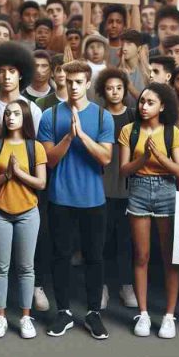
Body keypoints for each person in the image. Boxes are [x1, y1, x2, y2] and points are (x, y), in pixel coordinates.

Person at [38, 60, 114, 340]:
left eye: (78, 82)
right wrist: (69, 137)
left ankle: (93, 312)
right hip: (61, 198)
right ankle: (64, 312)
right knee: (60, 256)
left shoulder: (103, 117)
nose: (72, 87)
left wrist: (82, 134)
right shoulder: (50, 115)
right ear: (62, 82)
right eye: (68, 82)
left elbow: (106, 157)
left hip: (94, 200)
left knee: (95, 257)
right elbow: (48, 160)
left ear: (87, 83)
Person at [119, 83, 179, 339]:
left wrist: (157, 155)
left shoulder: (171, 132)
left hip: (167, 191)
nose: (143, 106)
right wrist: (144, 159)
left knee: (170, 256)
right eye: (142, 101)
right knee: (141, 255)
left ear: (162, 106)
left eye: (150, 102)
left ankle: (169, 315)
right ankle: (143, 313)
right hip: (138, 189)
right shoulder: (129, 130)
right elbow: (124, 170)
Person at [0, 100, 47, 339]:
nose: (10, 117)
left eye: (16, 114)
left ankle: (26, 317)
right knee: (0, 267)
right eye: (7, 113)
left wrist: (18, 173)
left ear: (24, 117)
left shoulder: (35, 147)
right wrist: (5, 175)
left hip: (28, 213)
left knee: (26, 267)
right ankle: (0, 316)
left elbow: (41, 183)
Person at [95, 68, 138, 310]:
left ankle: (126, 285)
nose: (114, 92)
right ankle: (101, 287)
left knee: (125, 241)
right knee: (100, 241)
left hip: (128, 187)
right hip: (101, 186)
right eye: (110, 88)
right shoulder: (99, 115)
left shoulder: (133, 115)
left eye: (119, 88)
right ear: (102, 91)